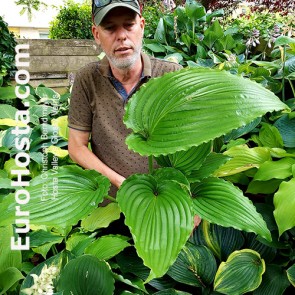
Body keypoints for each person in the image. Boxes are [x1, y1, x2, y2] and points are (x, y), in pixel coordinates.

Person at [67, 0, 182, 196]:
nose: (121, 36)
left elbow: (198, 140)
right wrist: (123, 185)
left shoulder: (171, 76)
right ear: (96, 34)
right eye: (110, 28)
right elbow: (76, 145)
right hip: (110, 203)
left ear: (142, 26)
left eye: (129, 25)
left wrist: (190, 203)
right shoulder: (87, 79)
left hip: (165, 202)